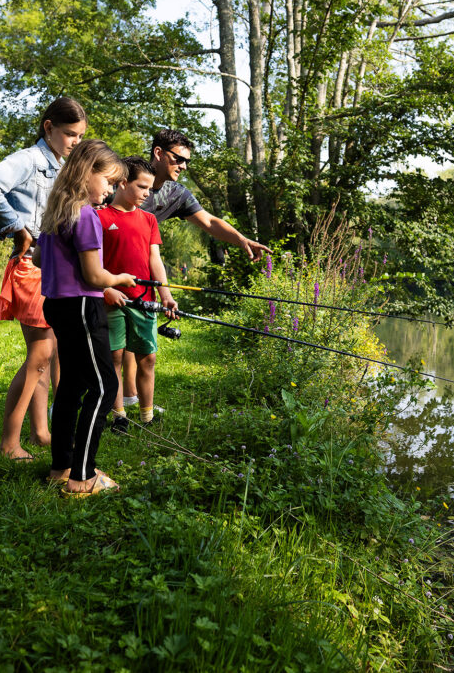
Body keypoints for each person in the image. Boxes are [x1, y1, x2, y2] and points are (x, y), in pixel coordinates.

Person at [118, 129, 273, 408]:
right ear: (158, 153)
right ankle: (74, 400)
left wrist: (241, 239)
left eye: (186, 160)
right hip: (104, 270)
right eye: (178, 159)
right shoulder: (126, 178)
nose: (184, 166)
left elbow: (209, 222)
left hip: (141, 272)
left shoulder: (176, 193)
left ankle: (130, 397)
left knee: (135, 338)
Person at [0, 97, 87, 460]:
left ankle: (40, 432)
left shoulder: (59, 165)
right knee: (40, 353)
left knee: (45, 354)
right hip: (31, 268)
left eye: (80, 136)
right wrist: (17, 227)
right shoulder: (30, 160)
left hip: (50, 267)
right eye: (69, 134)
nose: (75, 142)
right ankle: (8, 444)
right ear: (48, 127)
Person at [32, 139, 134, 496]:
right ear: (86, 171)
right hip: (82, 308)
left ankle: (61, 467)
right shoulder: (85, 215)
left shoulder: (56, 213)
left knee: (73, 387)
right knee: (105, 388)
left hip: (57, 305)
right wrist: (119, 278)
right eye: (107, 181)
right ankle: (82, 477)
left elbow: (38, 260)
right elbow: (94, 277)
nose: (109, 190)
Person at [98, 157, 179, 433]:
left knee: (148, 357)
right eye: (142, 186)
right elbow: (90, 264)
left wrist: (164, 293)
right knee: (115, 357)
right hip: (111, 301)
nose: (148, 193)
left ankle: (147, 416)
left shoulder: (149, 220)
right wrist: (105, 289)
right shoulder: (99, 217)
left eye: (150, 188)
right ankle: (118, 415)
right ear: (122, 183)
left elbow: (154, 259)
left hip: (144, 300)